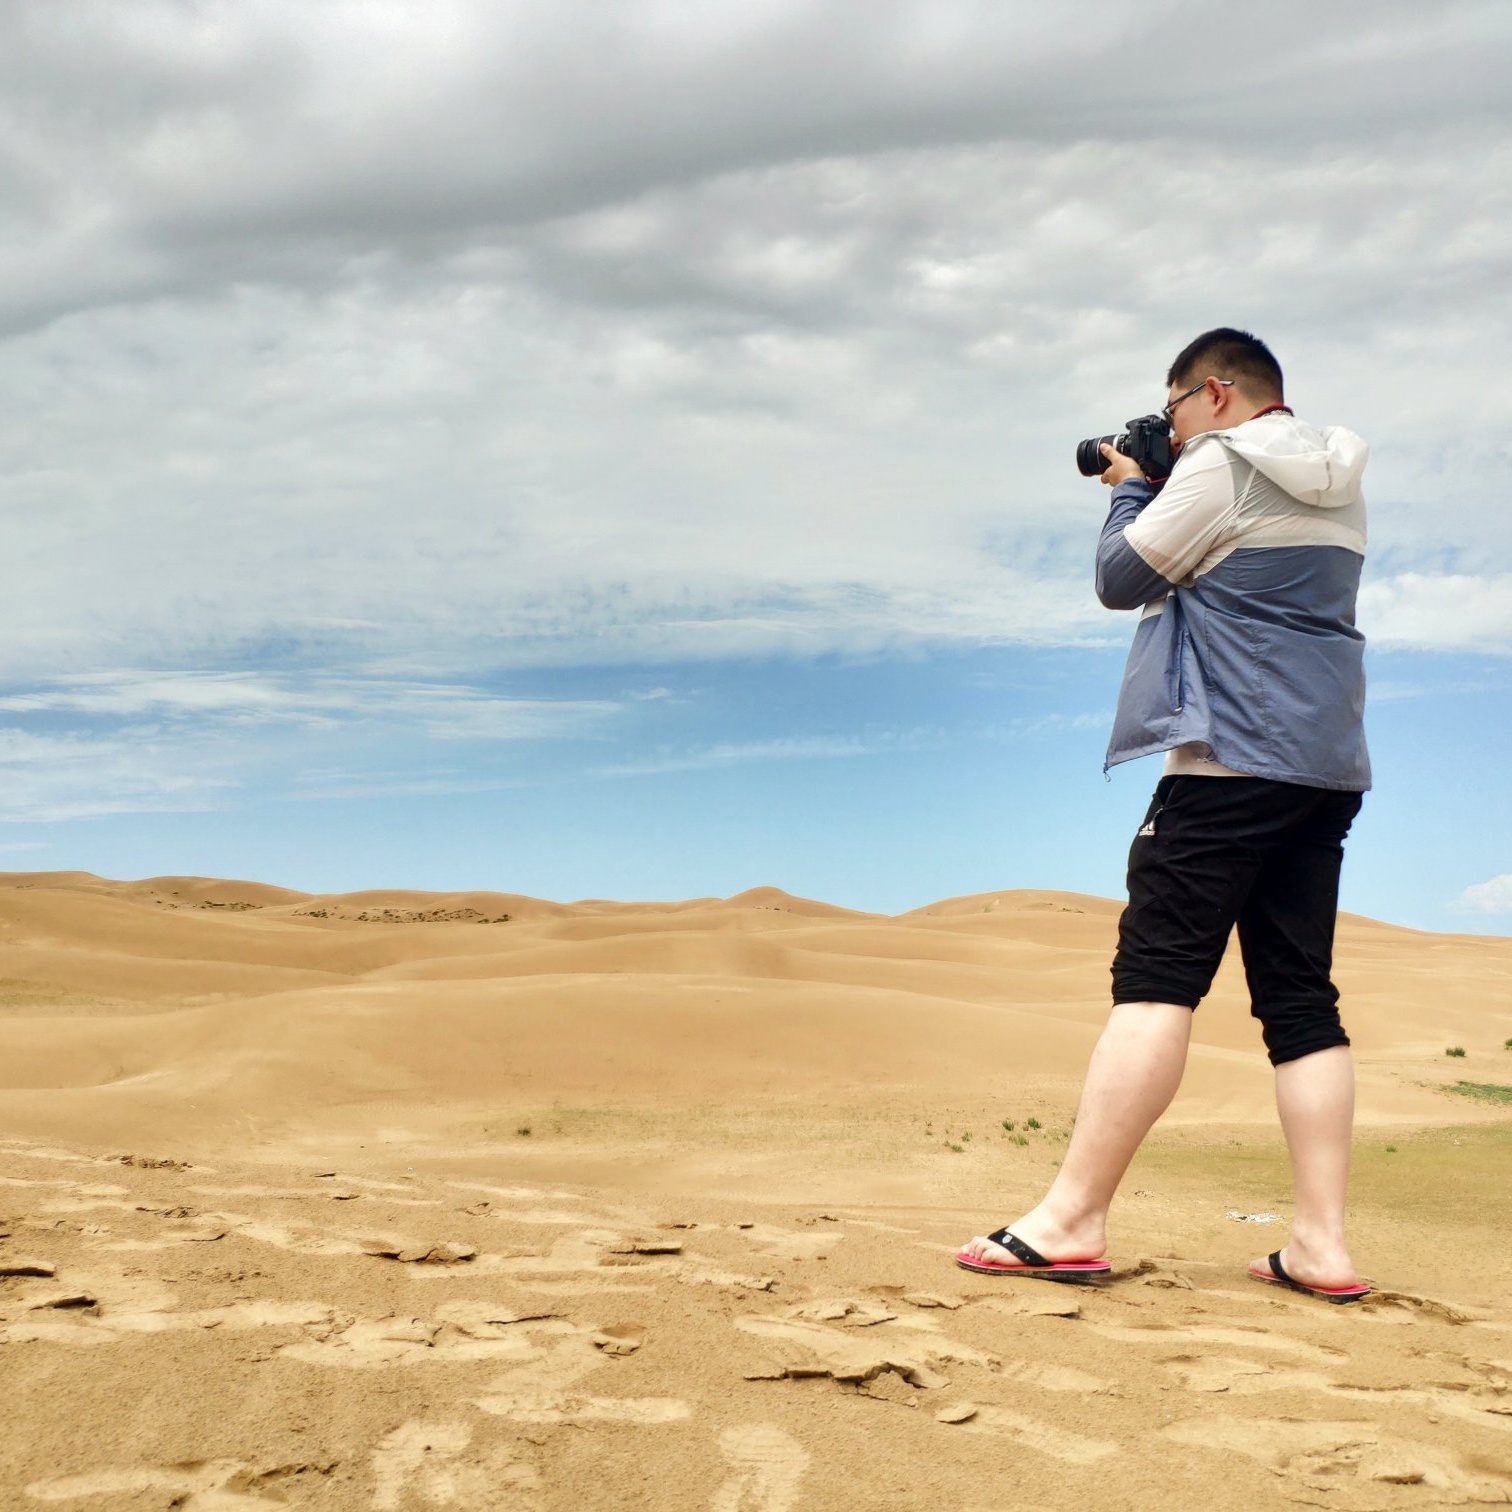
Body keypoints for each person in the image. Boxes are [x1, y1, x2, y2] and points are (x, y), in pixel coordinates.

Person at [957, 328, 1373, 1302]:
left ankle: (1067, 1222)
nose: (1171, 425)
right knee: (1301, 1001)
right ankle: (1321, 1244)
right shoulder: (1341, 475)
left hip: (1225, 762)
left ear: (1217, 395)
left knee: (1155, 983)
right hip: (1324, 766)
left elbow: (1120, 580)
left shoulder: (1221, 468)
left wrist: (1133, 485)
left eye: (1176, 406)